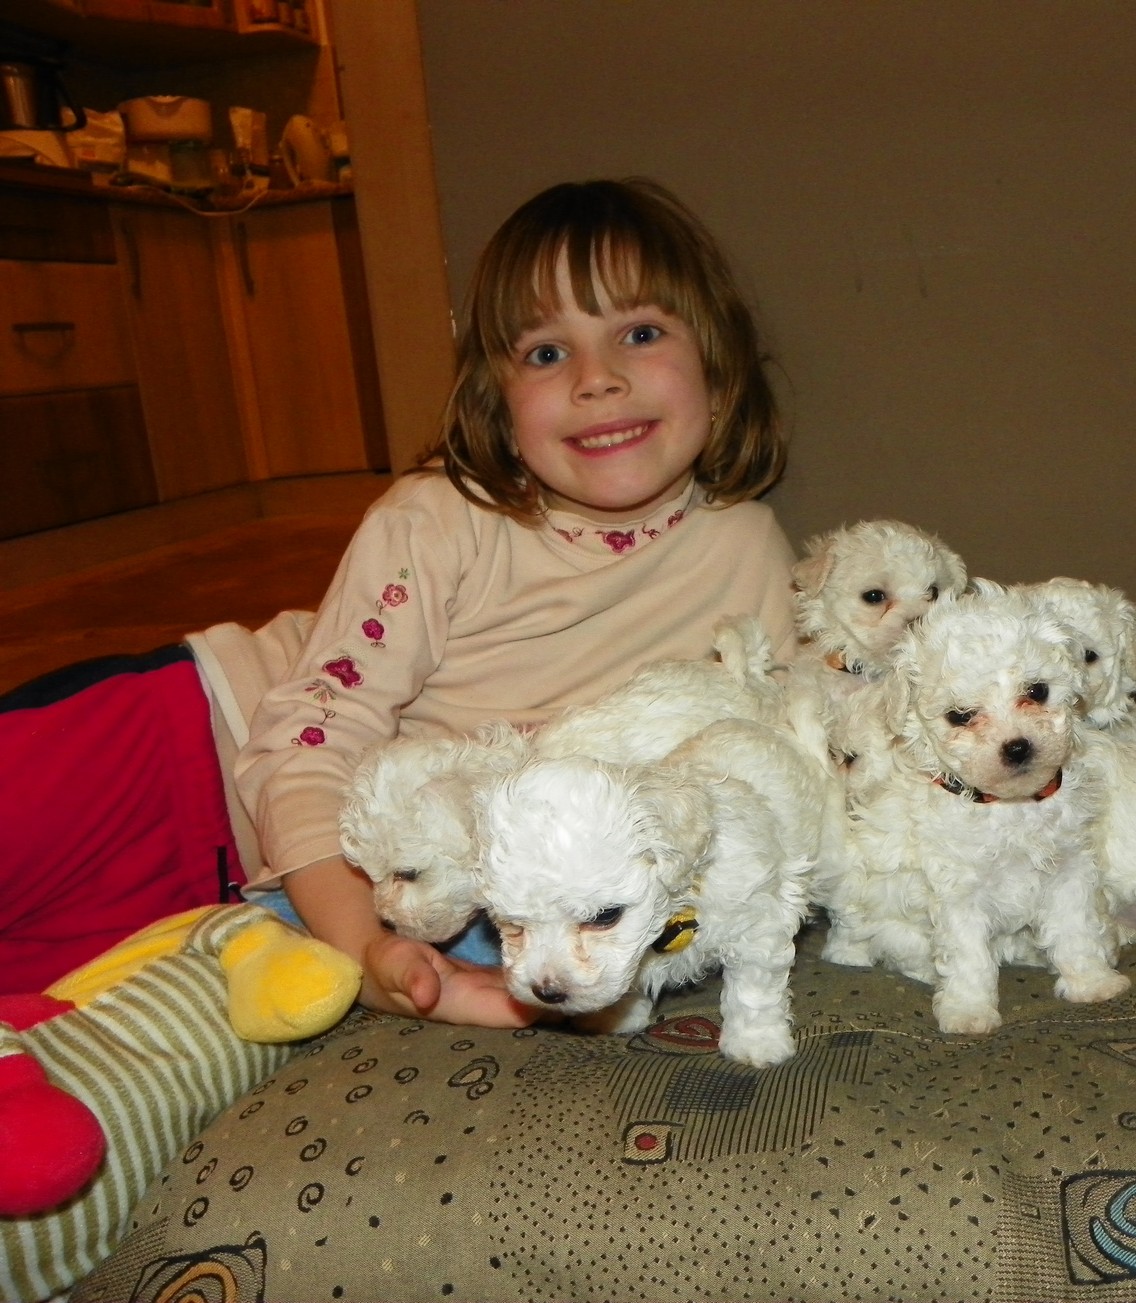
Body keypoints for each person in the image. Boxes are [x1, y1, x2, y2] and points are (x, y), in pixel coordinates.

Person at [1, 179, 799, 1028]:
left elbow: (786, 769)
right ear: (498, 402)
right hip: (185, 746)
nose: (596, 379)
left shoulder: (748, 549)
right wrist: (361, 946)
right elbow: (308, 735)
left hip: (237, 891)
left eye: (639, 334)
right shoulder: (441, 519)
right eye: (545, 353)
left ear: (718, 374)